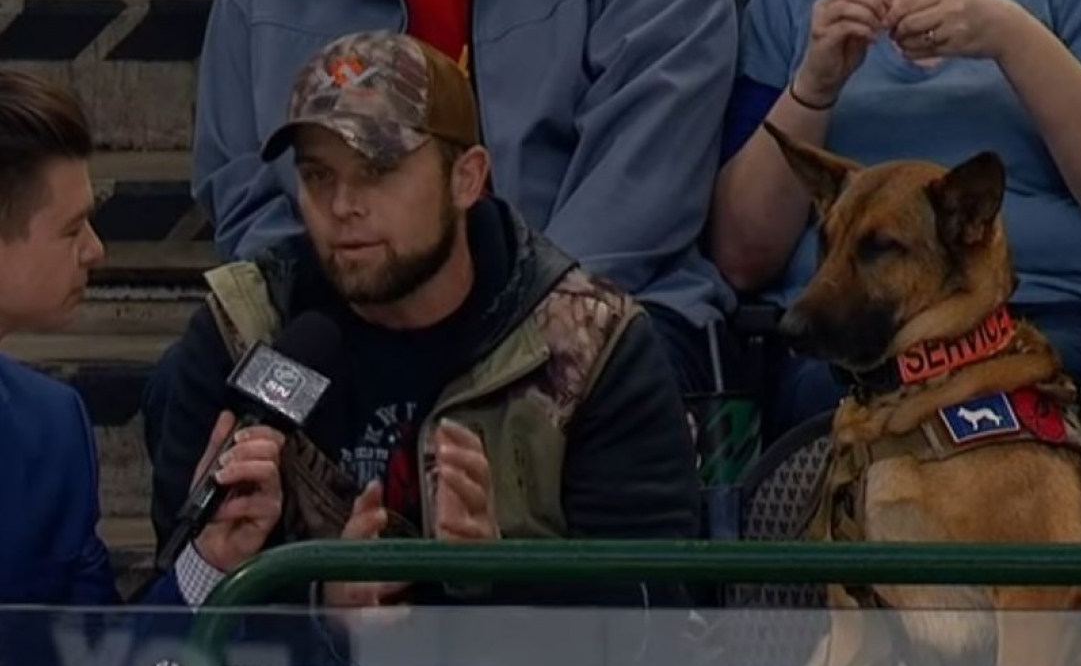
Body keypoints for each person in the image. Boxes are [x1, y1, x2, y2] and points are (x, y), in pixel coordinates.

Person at [152, 30, 699, 618]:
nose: (342, 207)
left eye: (377, 172)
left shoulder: (591, 346)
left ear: (466, 178)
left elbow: (655, 616)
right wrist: (315, 604)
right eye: (317, 176)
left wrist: (500, 578)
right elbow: (165, 622)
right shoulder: (240, 332)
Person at [187, 0, 737, 396]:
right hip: (344, 312)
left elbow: (643, 186)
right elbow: (241, 186)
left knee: (602, 381)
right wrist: (340, 299)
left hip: (598, 302)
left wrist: (516, 327)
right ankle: (220, 561)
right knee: (204, 382)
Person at [709, 0, 1081, 432]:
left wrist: (1012, 37)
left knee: (1000, 424)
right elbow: (743, 256)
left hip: (1075, 314)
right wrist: (811, 85)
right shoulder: (788, 8)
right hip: (852, 331)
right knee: (831, 402)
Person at [0, 68, 287, 666]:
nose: (97, 250)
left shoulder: (53, 429)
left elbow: (103, 658)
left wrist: (209, 559)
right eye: (72, 229)